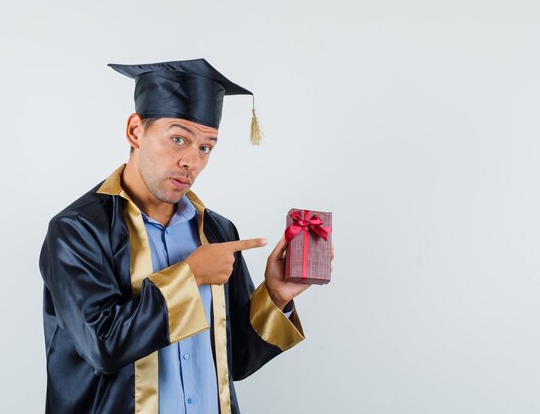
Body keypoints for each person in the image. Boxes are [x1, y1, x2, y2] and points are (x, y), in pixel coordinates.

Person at [39, 59, 334, 414]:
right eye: (179, 139)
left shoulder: (217, 232)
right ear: (135, 131)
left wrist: (274, 295)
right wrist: (189, 276)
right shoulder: (78, 230)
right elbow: (103, 347)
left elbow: (234, 360)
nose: (191, 161)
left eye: (206, 147)